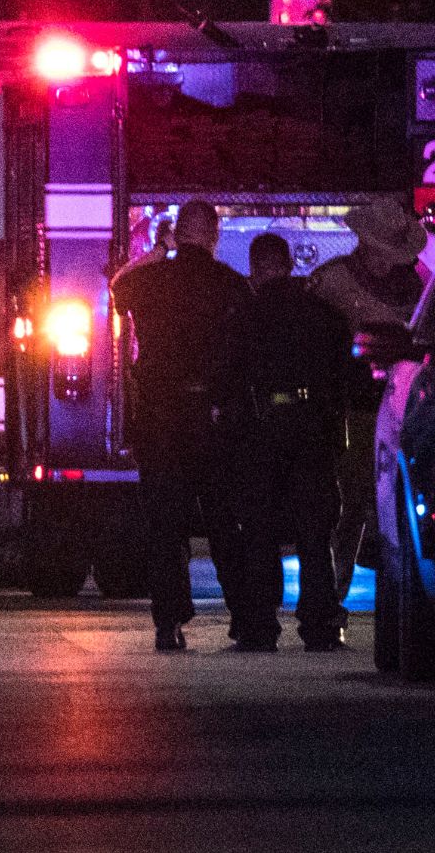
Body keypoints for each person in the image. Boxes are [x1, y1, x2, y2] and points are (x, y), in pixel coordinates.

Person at [109, 200, 256, 652]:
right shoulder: (232, 286)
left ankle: (168, 622)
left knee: (166, 526)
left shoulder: (149, 281)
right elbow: (244, 354)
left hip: (161, 418)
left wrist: (155, 253)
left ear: (178, 234)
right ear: (213, 236)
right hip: (213, 420)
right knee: (224, 525)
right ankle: (246, 620)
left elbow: (117, 287)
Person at [221, 232, 354, 651]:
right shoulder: (321, 314)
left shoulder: (245, 314)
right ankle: (320, 624)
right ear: (289, 264)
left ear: (255, 269)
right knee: (315, 531)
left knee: (259, 530)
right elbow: (342, 371)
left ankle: (261, 626)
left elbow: (230, 374)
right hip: (312, 425)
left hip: (263, 427)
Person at [307, 196, 429, 600]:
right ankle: (331, 596)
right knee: (350, 504)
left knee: (402, 506)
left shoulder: (418, 286)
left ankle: (405, 595)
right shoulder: (332, 283)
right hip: (353, 409)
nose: (388, 261)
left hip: (404, 409)